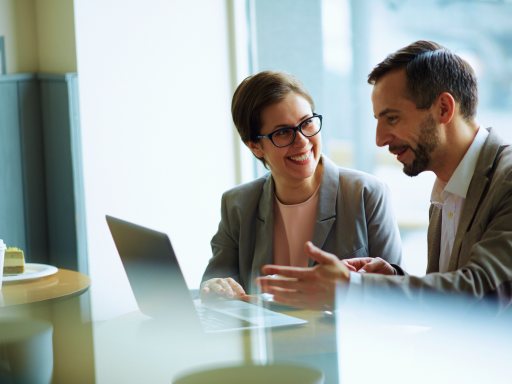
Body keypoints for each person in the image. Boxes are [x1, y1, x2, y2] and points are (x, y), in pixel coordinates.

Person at [257, 41, 512, 311]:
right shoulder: (448, 188)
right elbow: (451, 301)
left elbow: (483, 293)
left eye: (392, 118)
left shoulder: (506, 180)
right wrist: (391, 279)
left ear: (444, 109)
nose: (379, 140)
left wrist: (354, 289)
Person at [200, 71, 402, 298]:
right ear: (255, 147)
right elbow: (214, 285)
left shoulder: (367, 194)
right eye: (283, 132)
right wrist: (216, 288)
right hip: (265, 333)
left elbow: (395, 295)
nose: (303, 141)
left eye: (306, 123)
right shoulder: (237, 204)